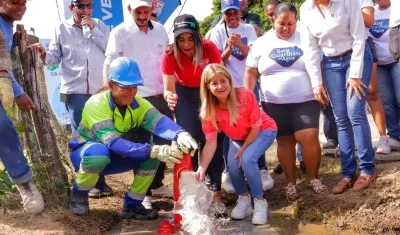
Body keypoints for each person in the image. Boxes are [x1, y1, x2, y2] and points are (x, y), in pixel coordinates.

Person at [67, 57, 198, 218]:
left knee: (153, 157)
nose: (131, 92)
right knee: (100, 153)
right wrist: (152, 150)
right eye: (125, 87)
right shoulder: (96, 104)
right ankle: (79, 195)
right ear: (111, 84)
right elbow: (113, 142)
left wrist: (180, 133)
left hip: (115, 156)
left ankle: (132, 206)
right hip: (86, 155)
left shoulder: (137, 103)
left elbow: (160, 122)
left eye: (134, 87)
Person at [29, 0, 113, 198]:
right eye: (80, 6)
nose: (85, 10)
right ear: (71, 7)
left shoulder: (99, 25)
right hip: (74, 92)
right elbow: (53, 58)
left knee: (102, 134)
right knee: (82, 137)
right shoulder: (61, 28)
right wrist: (42, 53)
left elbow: (110, 50)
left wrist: (93, 28)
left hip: (99, 91)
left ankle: (101, 181)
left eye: (89, 6)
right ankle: (87, 183)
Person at [244, 2, 327, 199]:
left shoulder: (306, 38)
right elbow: (250, 72)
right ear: (273, 20)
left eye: (290, 24)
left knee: (309, 136)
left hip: (305, 99)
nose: (286, 28)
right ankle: (291, 183)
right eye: (282, 23)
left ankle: (313, 178)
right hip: (273, 103)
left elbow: (319, 65)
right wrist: (249, 99)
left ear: (296, 22)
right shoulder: (262, 42)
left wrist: (322, 86)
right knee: (284, 141)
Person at [103, 0, 173, 210]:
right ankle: (143, 192)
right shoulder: (119, 32)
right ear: (129, 10)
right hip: (135, 97)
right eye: (138, 12)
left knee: (164, 141)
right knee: (141, 146)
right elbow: (110, 61)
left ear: (153, 9)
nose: (142, 16)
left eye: (146, 11)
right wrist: (109, 90)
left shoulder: (161, 30)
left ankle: (158, 183)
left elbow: (167, 60)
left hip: (160, 94)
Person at [300, 0, 376, 194]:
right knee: (341, 117)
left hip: (355, 56)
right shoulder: (306, 9)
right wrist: (316, 83)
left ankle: (367, 169)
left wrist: (355, 74)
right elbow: (310, 48)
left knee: (355, 112)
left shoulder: (347, 1)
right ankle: (348, 173)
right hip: (330, 63)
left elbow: (359, 36)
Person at [195, 63, 277, 225]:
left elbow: (255, 127)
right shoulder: (208, 110)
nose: (220, 86)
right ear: (207, 87)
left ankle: (259, 201)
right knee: (232, 165)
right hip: (238, 137)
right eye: (214, 83)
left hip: (263, 130)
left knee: (247, 159)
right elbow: (210, 143)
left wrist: (243, 150)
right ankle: (244, 199)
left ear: (230, 81)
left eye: (223, 80)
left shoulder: (245, 95)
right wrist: (201, 168)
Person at [161, 14, 226, 211]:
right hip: (185, 94)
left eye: (190, 38)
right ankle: (191, 193)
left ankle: (216, 191)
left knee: (213, 139)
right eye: (181, 39)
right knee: (189, 141)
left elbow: (220, 76)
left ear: (198, 35)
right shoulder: (170, 54)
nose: (186, 44)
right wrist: (169, 96)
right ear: (175, 39)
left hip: (208, 91)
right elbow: (168, 89)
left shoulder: (209, 47)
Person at [209, 0, 274, 193]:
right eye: (228, 13)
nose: (232, 17)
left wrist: (239, 44)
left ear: (240, 12)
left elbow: (253, 57)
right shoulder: (217, 33)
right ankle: (230, 171)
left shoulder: (249, 29)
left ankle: (261, 168)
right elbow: (216, 63)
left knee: (256, 125)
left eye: (234, 13)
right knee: (230, 129)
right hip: (226, 89)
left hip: (248, 86)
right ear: (223, 15)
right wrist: (229, 47)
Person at [0, 0, 44, 214]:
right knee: (3, 128)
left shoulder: (7, 27)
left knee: (4, 130)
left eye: (23, 3)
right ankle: (24, 184)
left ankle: (25, 184)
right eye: (14, 2)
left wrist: (21, 44)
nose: (20, 7)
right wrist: (18, 92)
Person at [362, 0, 391, 154]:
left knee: (372, 92)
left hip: (364, 43)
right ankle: (353, 140)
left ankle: (384, 138)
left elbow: (368, 21)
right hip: (340, 47)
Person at [370, 0, 400, 154]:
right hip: (379, 65)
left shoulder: (397, 8)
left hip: (396, 61)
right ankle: (394, 136)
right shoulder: (371, 12)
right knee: (386, 102)